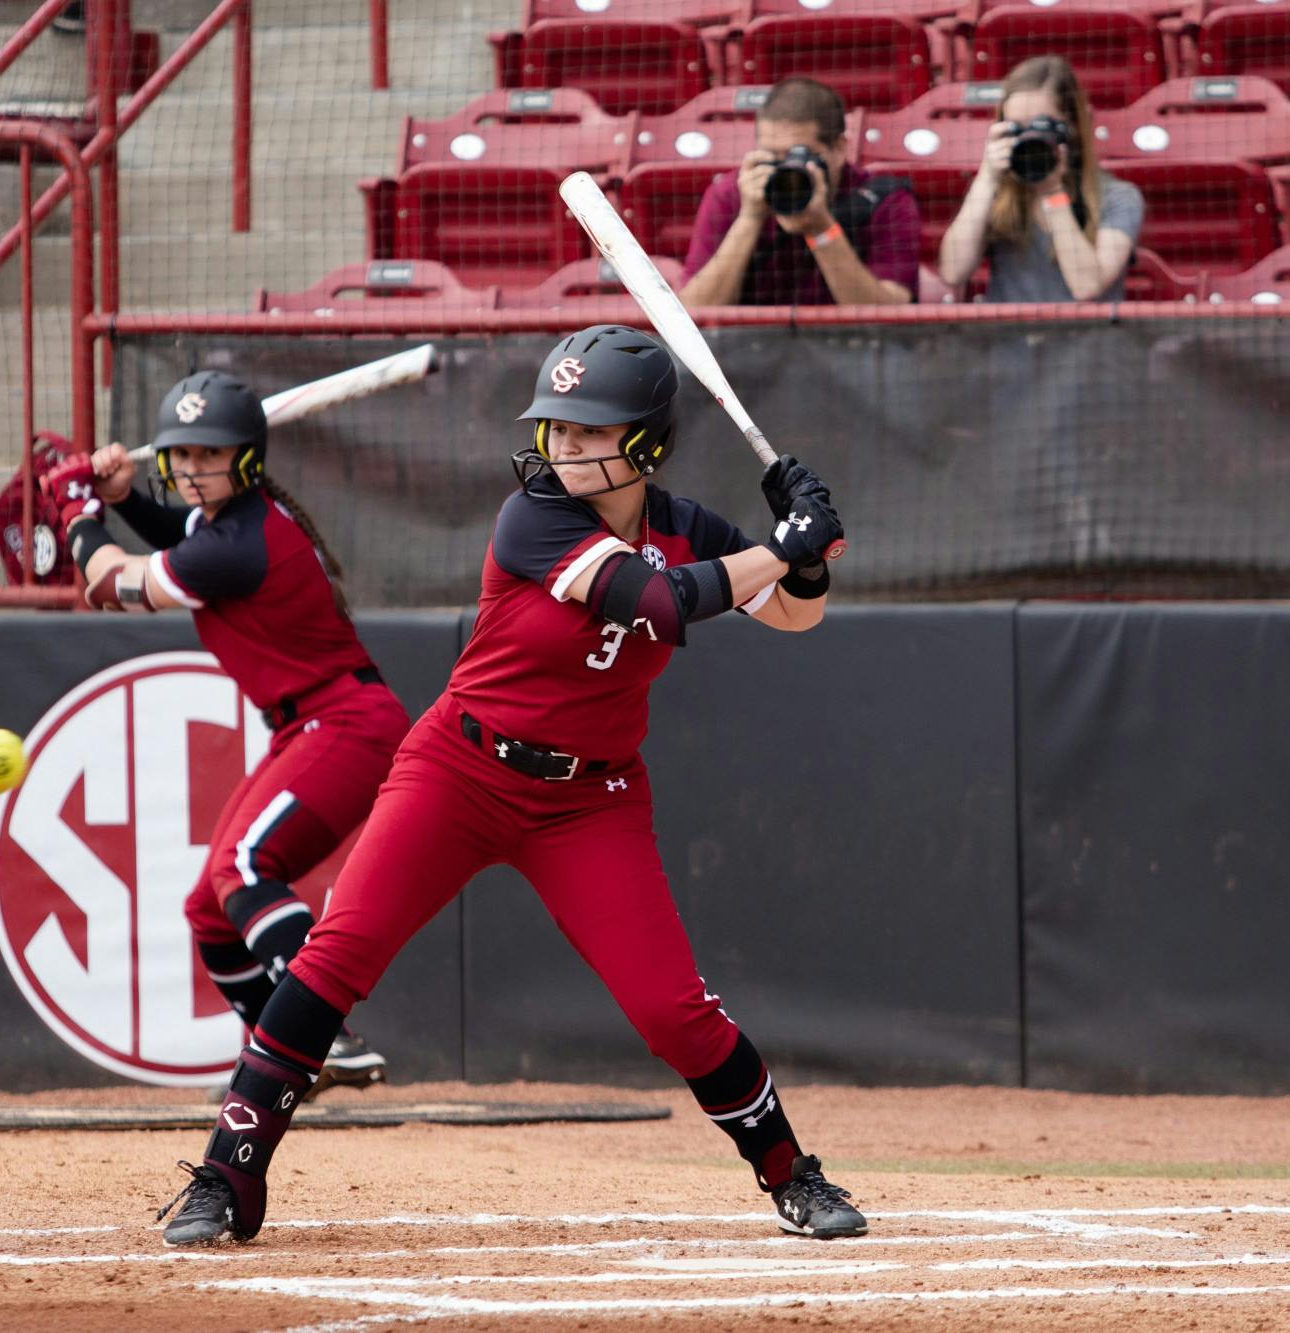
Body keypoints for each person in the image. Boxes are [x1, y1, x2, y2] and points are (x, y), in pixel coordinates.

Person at [152, 326, 868, 1248]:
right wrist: (784, 542)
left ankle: (793, 1176)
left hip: (589, 799)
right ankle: (225, 1174)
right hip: (457, 768)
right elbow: (657, 602)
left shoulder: (688, 526)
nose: (560, 447)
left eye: (586, 432)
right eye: (555, 429)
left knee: (671, 1009)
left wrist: (804, 556)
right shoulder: (532, 518)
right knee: (336, 956)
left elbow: (793, 615)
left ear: (645, 443)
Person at [41, 370, 412, 1094]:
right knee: (211, 910)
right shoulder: (233, 523)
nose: (190, 469)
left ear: (245, 457)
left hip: (345, 722)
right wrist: (119, 499)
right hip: (310, 723)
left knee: (244, 866)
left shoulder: (238, 541)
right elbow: (175, 532)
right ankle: (280, 1064)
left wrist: (80, 514)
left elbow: (113, 585)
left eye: (209, 455)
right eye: (180, 455)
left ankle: (323, 1027)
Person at [679, 77, 919, 308]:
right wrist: (750, 219)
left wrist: (821, 229)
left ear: (838, 149)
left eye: (798, 155)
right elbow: (693, 313)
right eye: (772, 155)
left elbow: (890, 317)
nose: (785, 168)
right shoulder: (731, 194)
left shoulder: (885, 200)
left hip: (854, 347)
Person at [937, 56, 1143, 304]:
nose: (1029, 139)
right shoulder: (994, 193)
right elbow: (952, 272)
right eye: (1016, 128)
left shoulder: (1118, 197)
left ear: (1074, 125)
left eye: (1040, 126)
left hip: (1085, 340)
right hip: (1008, 339)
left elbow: (1086, 286)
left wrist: (1053, 194)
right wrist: (986, 177)